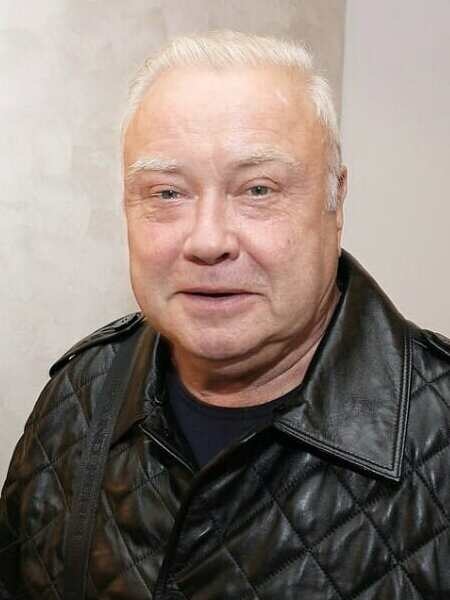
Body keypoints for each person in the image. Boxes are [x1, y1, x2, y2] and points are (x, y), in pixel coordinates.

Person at [1, 30, 449, 600]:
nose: (208, 241)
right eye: (167, 193)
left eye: (258, 190)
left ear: (336, 200)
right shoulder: (77, 397)